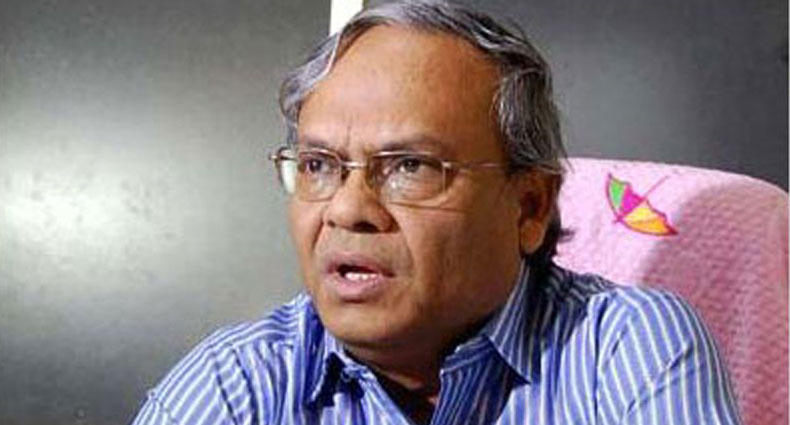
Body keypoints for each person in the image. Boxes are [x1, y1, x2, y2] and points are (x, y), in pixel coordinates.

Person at [131, 1, 741, 424]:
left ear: (529, 207)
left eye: (409, 166)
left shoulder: (627, 349)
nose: (347, 209)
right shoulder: (236, 384)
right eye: (318, 165)